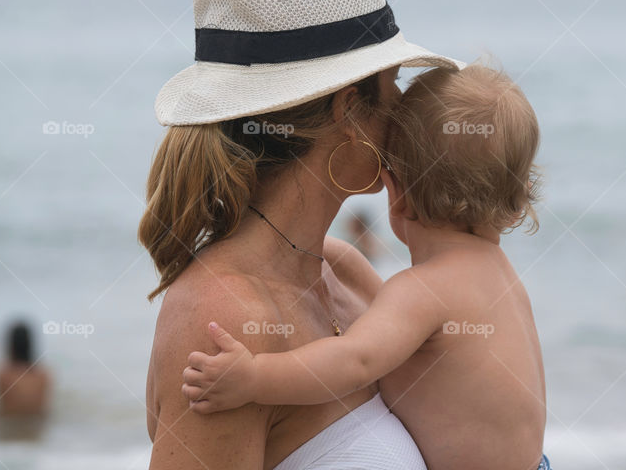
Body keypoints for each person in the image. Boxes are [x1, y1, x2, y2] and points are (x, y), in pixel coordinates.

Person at [142, 0, 463, 469]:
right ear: (349, 110)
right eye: (394, 82)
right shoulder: (224, 318)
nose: (406, 107)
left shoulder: (343, 271)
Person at [181, 65, 551, 470]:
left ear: (397, 194)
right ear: (516, 196)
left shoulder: (422, 290)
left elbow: (353, 361)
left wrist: (254, 378)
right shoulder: (500, 273)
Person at [0, 321, 51, 440]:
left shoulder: (2, 374)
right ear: (30, 345)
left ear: (10, 345)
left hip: (8, 429)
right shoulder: (44, 375)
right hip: (37, 429)